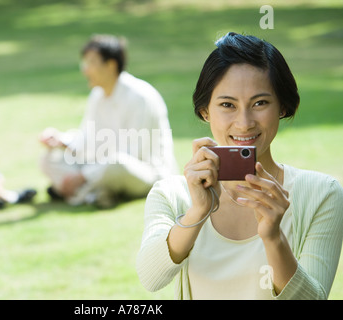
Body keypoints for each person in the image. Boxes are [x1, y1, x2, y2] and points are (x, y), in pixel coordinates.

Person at [136, 32, 343, 299]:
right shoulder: (172, 194)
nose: (244, 123)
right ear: (205, 111)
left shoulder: (321, 194)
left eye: (260, 103)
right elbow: (151, 278)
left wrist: (273, 238)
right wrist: (197, 211)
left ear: (282, 107)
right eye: (227, 105)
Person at [39, 34, 178, 208]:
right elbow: (87, 138)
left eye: (91, 63)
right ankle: (97, 193)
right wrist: (61, 141)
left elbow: (131, 155)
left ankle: (80, 194)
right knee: (51, 158)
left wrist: (83, 176)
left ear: (111, 65)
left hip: (145, 173)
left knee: (117, 163)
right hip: (101, 168)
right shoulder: (97, 95)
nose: (85, 70)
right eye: (85, 63)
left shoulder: (140, 97)